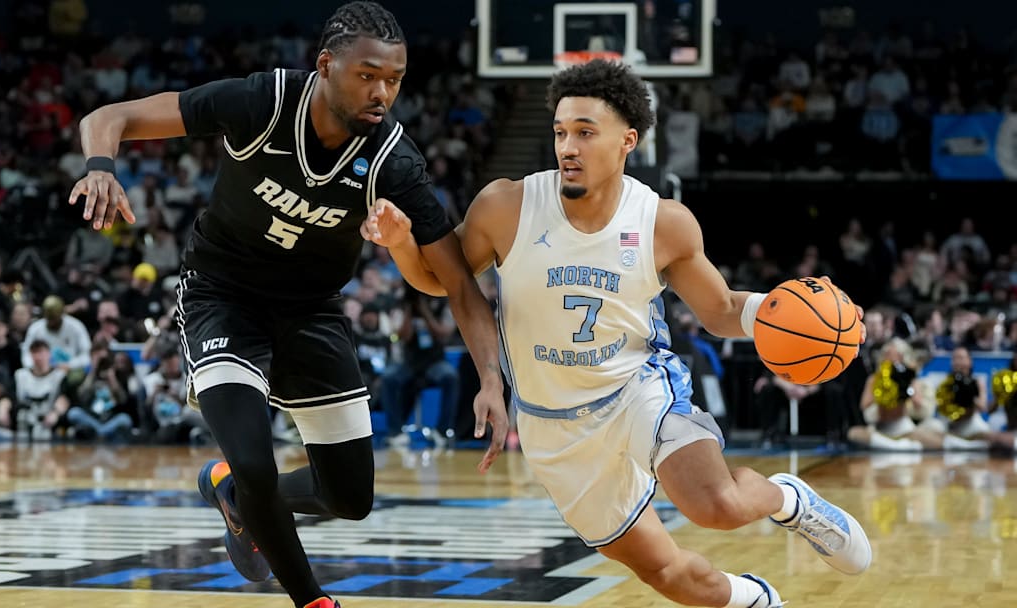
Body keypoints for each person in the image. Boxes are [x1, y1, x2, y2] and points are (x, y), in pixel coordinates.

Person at [367, 59, 872, 608]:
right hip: (552, 427)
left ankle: (788, 499)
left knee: (716, 506)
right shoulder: (506, 207)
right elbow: (443, 282)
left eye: (586, 132)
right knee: (669, 575)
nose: (568, 147)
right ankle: (752, 599)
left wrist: (777, 314)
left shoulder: (663, 222)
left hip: (637, 389)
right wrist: (399, 245)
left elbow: (720, 308)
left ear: (627, 140)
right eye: (561, 132)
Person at [67, 3, 508, 608]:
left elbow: (459, 283)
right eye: (367, 75)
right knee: (254, 462)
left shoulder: (393, 161)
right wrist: (100, 168)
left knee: (349, 499)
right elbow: (110, 116)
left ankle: (229, 491)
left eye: (394, 80)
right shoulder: (263, 102)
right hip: (223, 296)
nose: (382, 92)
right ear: (325, 65)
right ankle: (312, 599)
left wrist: (491, 376)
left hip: (311, 310)